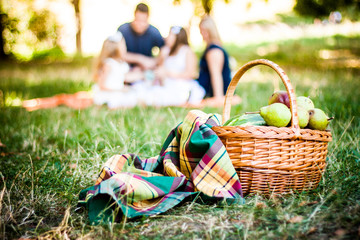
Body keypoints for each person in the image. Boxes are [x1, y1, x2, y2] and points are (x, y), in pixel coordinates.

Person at [140, 26, 205, 106]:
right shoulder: (166, 51)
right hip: (165, 83)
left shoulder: (186, 51)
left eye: (169, 35)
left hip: (180, 85)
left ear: (177, 37)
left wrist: (168, 73)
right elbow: (157, 67)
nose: (166, 38)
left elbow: (191, 74)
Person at [197, 15, 241, 107]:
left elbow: (216, 75)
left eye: (203, 31)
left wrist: (218, 98)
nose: (201, 34)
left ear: (210, 31)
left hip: (212, 93)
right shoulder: (213, 48)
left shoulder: (214, 51)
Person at [92, 32, 145, 109]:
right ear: (117, 49)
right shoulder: (109, 64)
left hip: (119, 91)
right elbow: (102, 85)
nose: (125, 48)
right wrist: (120, 90)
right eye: (124, 46)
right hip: (109, 92)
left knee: (135, 94)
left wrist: (142, 74)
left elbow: (126, 77)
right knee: (119, 100)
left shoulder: (121, 64)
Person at [117, 3, 165, 70]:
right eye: (138, 20)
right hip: (126, 66)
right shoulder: (123, 30)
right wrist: (140, 59)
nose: (139, 24)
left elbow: (165, 50)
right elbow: (118, 53)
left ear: (148, 19)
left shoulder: (154, 32)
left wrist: (153, 61)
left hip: (146, 69)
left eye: (143, 21)